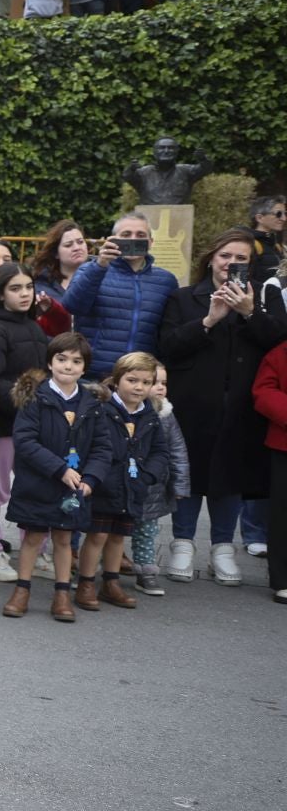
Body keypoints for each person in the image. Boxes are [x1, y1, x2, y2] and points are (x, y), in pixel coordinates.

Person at [156, 229, 285, 586]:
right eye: (226, 255)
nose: (231, 264)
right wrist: (209, 320)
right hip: (193, 400)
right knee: (189, 470)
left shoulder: (264, 296)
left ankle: (222, 549)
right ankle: (183, 542)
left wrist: (248, 313)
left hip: (242, 404)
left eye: (241, 258)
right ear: (211, 258)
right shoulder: (183, 298)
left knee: (230, 476)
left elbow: (278, 342)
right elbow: (168, 346)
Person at [1, 332, 105, 622]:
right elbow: (25, 441)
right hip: (38, 482)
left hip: (74, 486)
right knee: (33, 537)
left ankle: (62, 595)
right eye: (61, 359)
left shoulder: (92, 403)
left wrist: (91, 479)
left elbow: (102, 447)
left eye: (76, 361)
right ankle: (22, 590)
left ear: (84, 368)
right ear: (50, 362)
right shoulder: (36, 397)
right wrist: (59, 469)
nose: (68, 366)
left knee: (64, 537)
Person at [0, 261, 52, 583]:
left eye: (28, 287)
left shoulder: (35, 327)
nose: (24, 294)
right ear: (1, 293)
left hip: (34, 427)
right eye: (15, 288)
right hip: (3, 426)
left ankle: (37, 551)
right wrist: (27, 408)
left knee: (35, 489)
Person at [75, 352, 170, 609]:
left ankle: (111, 582)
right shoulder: (102, 410)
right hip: (104, 484)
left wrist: (147, 475)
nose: (139, 387)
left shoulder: (149, 414)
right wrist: (96, 476)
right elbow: (90, 446)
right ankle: (85, 583)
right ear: (117, 380)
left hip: (132, 486)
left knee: (118, 537)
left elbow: (160, 451)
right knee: (98, 535)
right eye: (132, 380)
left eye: (146, 382)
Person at [60, 211, 180, 374]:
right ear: (113, 240)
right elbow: (73, 306)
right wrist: (100, 265)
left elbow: (168, 332)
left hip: (140, 375)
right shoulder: (91, 269)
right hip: (96, 373)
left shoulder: (166, 281)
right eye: (126, 234)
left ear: (151, 242)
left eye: (140, 235)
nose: (133, 239)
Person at [130, 363, 189, 594]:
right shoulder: (125, 410)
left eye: (164, 383)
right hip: (121, 484)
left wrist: (180, 484)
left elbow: (177, 450)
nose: (160, 388)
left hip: (152, 488)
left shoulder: (166, 414)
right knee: (111, 531)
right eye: (154, 382)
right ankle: (107, 570)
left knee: (146, 531)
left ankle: (145, 572)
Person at [249, 342, 287, 603]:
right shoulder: (280, 352)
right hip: (284, 444)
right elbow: (263, 391)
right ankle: (283, 580)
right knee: (283, 515)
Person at [31, 220, 89, 303]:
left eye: (80, 242)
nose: (77, 248)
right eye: (68, 245)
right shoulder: (42, 285)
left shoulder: (102, 273)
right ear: (56, 253)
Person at [242, 193, 286, 278]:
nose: (284, 218)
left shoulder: (277, 246)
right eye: (278, 214)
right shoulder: (249, 244)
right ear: (259, 218)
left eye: (285, 214)